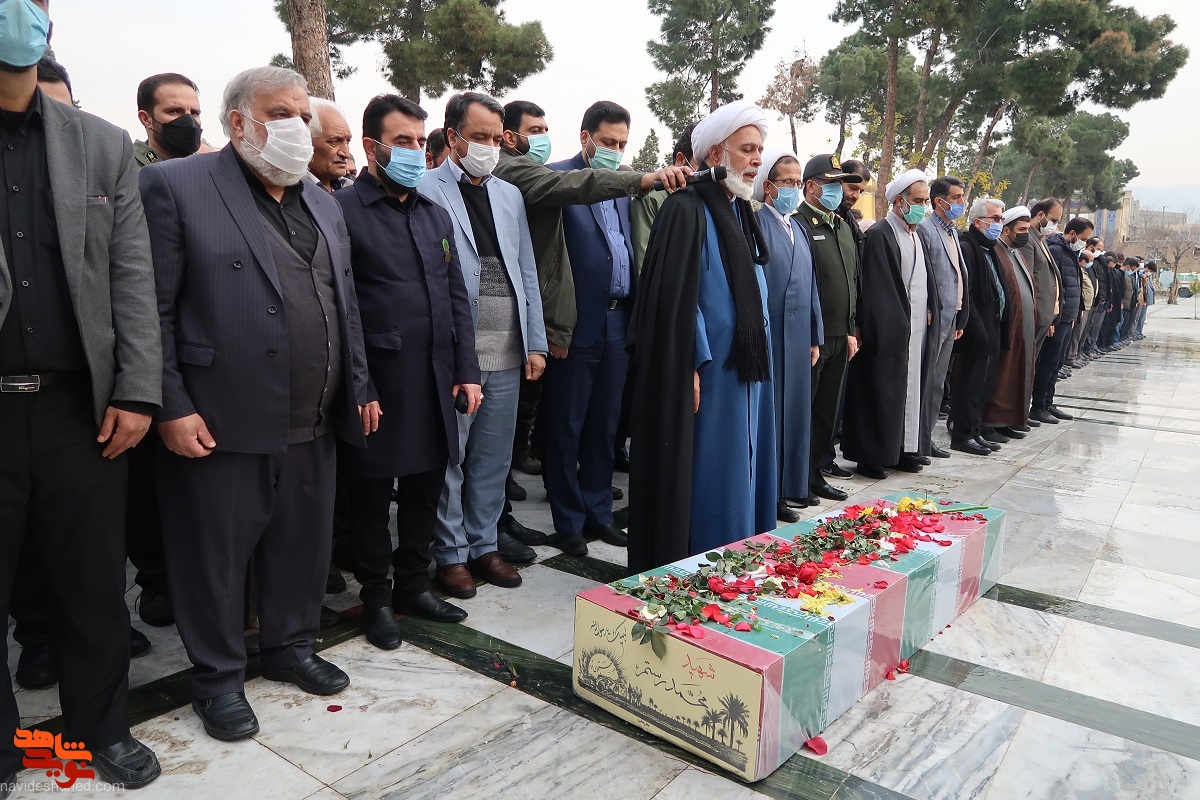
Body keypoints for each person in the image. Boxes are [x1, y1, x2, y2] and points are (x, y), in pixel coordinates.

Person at [140, 66, 378, 741]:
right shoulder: (176, 186)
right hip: (219, 419)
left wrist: (359, 384)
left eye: (303, 114)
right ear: (239, 122)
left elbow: (344, 304)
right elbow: (149, 309)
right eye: (281, 113)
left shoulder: (323, 202)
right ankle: (217, 679)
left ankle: (290, 647)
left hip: (313, 416)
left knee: (302, 545)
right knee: (214, 559)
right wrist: (170, 404)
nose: (297, 127)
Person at [1, 0, 163, 788]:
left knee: (94, 587)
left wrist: (139, 390)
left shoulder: (99, 143)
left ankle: (103, 732)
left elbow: (132, 274)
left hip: (82, 410)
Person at [335, 94, 482, 649]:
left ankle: (414, 585)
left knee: (425, 488)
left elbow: (456, 297)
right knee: (372, 498)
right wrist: (359, 385)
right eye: (402, 142)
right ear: (372, 147)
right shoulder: (342, 211)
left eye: (421, 142)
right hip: (378, 382)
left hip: (435, 379)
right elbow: (342, 307)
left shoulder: (433, 214)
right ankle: (376, 598)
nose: (415, 152)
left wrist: (467, 369)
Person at [627, 99, 776, 572]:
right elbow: (675, 298)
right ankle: (704, 563)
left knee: (743, 466)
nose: (756, 159)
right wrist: (688, 363)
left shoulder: (739, 209)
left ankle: (739, 553)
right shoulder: (686, 208)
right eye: (747, 149)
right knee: (710, 472)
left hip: (746, 369)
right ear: (715, 154)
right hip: (709, 372)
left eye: (759, 150)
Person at [419, 92, 547, 600]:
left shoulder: (509, 195)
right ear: (453, 137)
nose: (489, 147)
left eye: (496, 138)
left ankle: (484, 543)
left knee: (493, 453)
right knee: (453, 453)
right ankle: (450, 553)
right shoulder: (425, 188)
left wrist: (535, 341)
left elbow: (526, 270)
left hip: (506, 336)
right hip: (457, 339)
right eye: (479, 137)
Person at [541, 101, 643, 555]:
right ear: (585, 138)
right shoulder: (556, 179)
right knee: (567, 423)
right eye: (607, 142)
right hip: (575, 322)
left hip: (617, 320)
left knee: (605, 424)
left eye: (622, 144)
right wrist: (553, 325)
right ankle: (568, 520)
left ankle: (599, 512)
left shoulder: (622, 188)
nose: (615, 152)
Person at [841, 168, 940, 478]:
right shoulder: (881, 234)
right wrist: (893, 325)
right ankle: (871, 456)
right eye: (918, 201)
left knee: (907, 392)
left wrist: (930, 311)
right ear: (900, 201)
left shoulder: (916, 234)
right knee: (880, 393)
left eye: (925, 201)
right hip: (887, 332)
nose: (923, 207)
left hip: (914, 332)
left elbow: (926, 280)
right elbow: (878, 288)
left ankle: (902, 449)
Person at [754, 150, 822, 522]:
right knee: (772, 413)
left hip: (797, 337)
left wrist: (815, 335)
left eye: (798, 182)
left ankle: (792, 484)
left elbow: (811, 286)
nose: (794, 188)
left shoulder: (798, 228)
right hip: (770, 333)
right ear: (769, 186)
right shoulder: (757, 222)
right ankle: (771, 492)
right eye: (787, 182)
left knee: (795, 411)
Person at [795, 154, 862, 502]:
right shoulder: (800, 224)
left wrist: (851, 330)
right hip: (813, 338)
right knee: (805, 411)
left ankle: (817, 471)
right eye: (831, 184)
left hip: (839, 335)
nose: (838, 190)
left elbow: (852, 282)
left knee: (826, 411)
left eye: (840, 184)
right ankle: (798, 477)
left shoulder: (841, 226)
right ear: (811, 186)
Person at [916, 176, 969, 460]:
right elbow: (923, 274)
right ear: (939, 201)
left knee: (938, 383)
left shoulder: (951, 232)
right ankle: (918, 440)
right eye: (957, 197)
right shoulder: (926, 230)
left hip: (951, 317)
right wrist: (929, 309)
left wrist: (960, 316)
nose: (962, 202)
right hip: (932, 318)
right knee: (926, 382)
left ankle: (926, 438)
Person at [949, 199, 1007, 455]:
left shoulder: (988, 248)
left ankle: (975, 431)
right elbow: (967, 293)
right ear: (978, 222)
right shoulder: (968, 247)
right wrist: (977, 328)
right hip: (976, 331)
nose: (999, 223)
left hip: (992, 328)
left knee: (983, 386)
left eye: (1001, 218)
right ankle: (962, 435)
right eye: (995, 218)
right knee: (969, 386)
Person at [981, 206, 1037, 442]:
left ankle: (1007, 421)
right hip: (1005, 326)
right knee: (1001, 375)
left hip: (1021, 327)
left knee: (1015, 375)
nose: (1026, 234)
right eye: (1022, 230)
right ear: (1007, 230)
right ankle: (991, 422)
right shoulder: (996, 251)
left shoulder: (1016, 253)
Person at [1032, 215, 1091, 422]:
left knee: (1056, 363)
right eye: (1084, 238)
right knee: (1047, 362)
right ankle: (1038, 405)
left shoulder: (1070, 252)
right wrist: (1051, 317)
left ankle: (1048, 402)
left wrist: (1075, 313)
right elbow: (1052, 286)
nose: (1084, 243)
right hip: (1057, 318)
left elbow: (1074, 284)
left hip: (1068, 317)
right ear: (1073, 233)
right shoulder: (1056, 250)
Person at [134, 72, 202, 167]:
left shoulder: (208, 167)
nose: (189, 121)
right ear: (146, 119)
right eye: (174, 111)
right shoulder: (124, 167)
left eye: (194, 113)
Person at [307, 97, 353, 193]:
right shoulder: (287, 193)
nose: (346, 154)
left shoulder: (352, 190)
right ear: (307, 141)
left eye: (347, 141)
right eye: (335, 141)